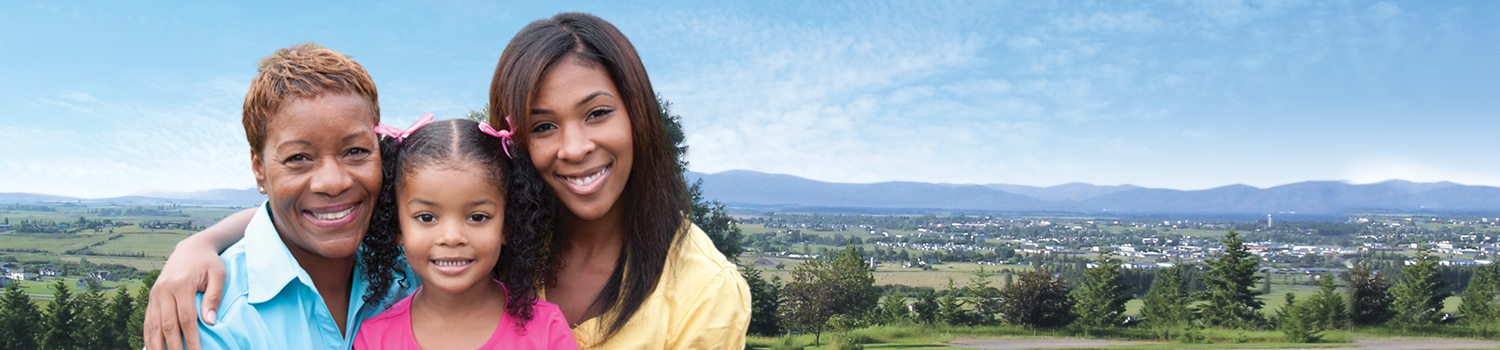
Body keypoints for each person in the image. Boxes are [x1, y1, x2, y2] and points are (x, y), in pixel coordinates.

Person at [146, 13, 751, 350]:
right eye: (544, 125)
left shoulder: (701, 293)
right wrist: (201, 242)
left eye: (597, 113)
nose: (574, 147)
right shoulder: (425, 267)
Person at [169, 43, 407, 350]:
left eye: (356, 151)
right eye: (298, 158)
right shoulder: (210, 320)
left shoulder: (414, 271)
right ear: (259, 169)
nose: (333, 183)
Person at [353, 117, 575, 349]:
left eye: (477, 217)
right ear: (397, 227)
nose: (452, 237)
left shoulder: (547, 330)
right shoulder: (374, 340)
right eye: (426, 217)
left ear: (507, 225)